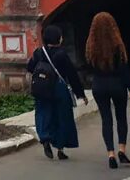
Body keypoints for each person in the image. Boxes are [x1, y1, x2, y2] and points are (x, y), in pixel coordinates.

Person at [85, 12, 130, 169]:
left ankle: (110, 154)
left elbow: (89, 67)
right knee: (121, 117)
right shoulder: (117, 45)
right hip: (117, 85)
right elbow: (124, 69)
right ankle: (122, 149)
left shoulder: (91, 46)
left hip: (99, 86)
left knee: (106, 120)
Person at [27, 24, 86, 160]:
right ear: (58, 39)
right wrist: (80, 93)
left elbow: (30, 67)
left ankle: (45, 138)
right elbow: (72, 75)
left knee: (42, 113)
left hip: (41, 89)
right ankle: (60, 149)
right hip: (58, 89)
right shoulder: (61, 54)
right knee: (62, 117)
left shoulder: (39, 52)